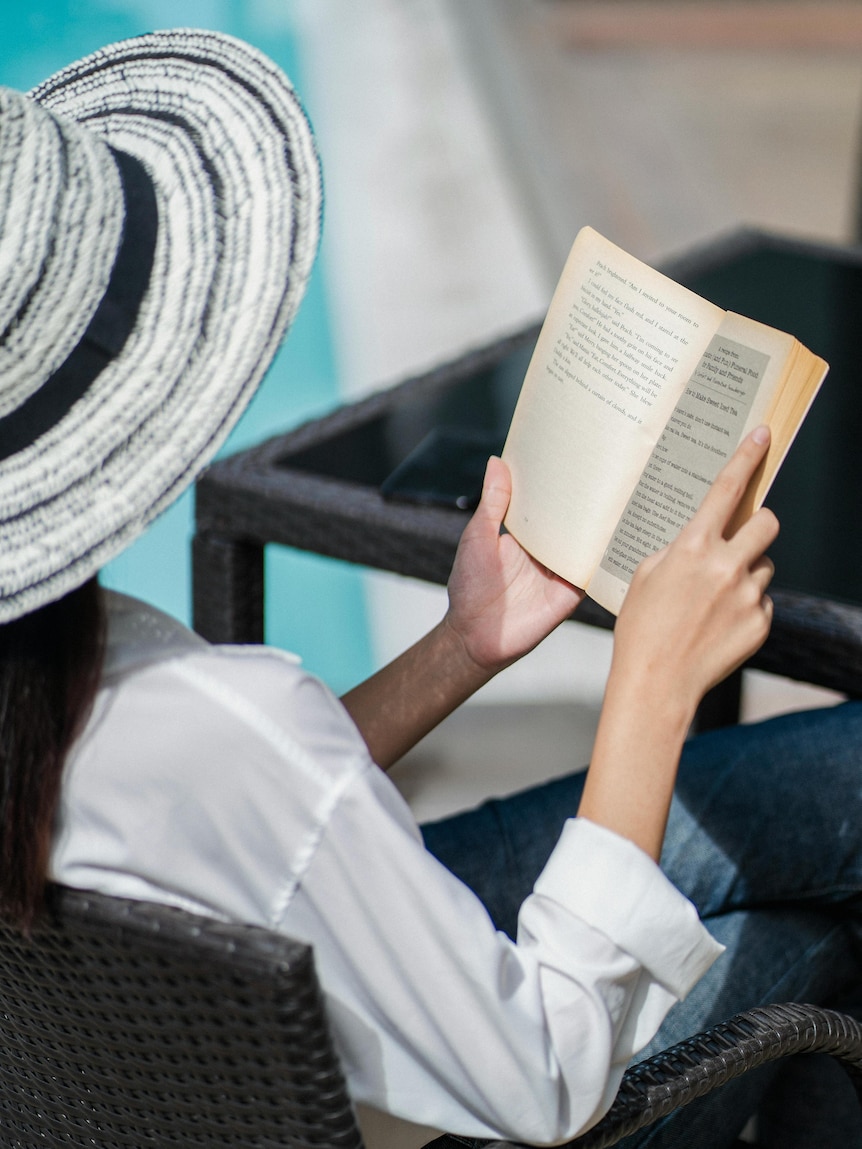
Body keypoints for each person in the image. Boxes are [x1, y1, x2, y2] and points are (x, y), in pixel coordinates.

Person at [0, 27, 860, 1149]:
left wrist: (464, 644)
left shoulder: (84, 693)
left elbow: (232, 817)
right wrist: (649, 678)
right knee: (808, 926)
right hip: (535, 1072)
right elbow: (545, 1082)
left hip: (236, 1035)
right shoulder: (196, 720)